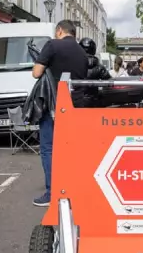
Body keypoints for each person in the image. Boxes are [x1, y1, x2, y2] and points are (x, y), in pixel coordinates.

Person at [31, 20, 88, 207]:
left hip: (54, 105)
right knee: (73, 149)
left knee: (49, 148)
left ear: (59, 31)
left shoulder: (52, 45)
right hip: (77, 105)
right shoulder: (82, 52)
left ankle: (52, 192)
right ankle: (75, 189)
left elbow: (36, 73)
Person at [80, 37, 111, 107]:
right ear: (93, 50)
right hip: (93, 100)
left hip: (76, 99)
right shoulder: (99, 67)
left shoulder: (74, 64)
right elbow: (109, 81)